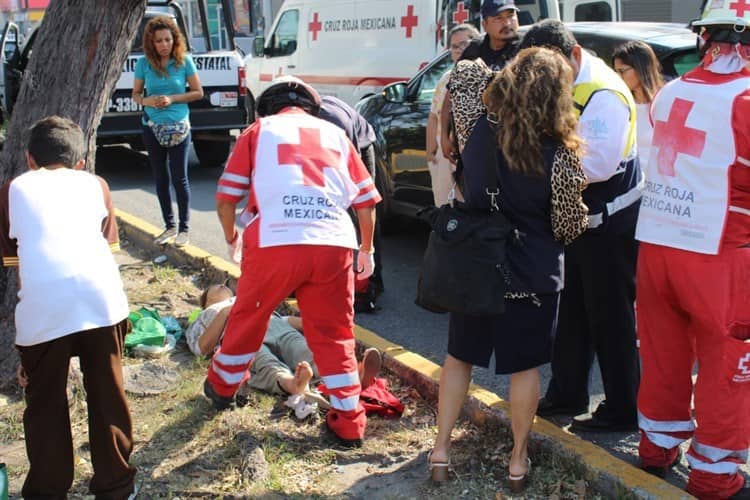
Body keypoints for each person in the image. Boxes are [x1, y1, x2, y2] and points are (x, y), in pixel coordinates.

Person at [428, 48, 588, 492]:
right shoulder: (560, 153)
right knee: (524, 369)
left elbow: (464, 70)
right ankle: (517, 461)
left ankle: (440, 451)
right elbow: (568, 225)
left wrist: (501, 75)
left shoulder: (473, 123)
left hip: (476, 263)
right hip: (532, 271)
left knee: (459, 357)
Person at [205, 76, 381, 448]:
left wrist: (232, 239)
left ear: (267, 108)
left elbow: (226, 199)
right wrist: (367, 250)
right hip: (333, 242)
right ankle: (350, 422)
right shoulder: (337, 136)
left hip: (274, 242)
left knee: (249, 319)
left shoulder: (257, 131)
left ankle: (222, 387)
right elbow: (365, 201)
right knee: (334, 335)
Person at [633, 2, 750, 497]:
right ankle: (715, 476)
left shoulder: (670, 92)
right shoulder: (746, 97)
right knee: (729, 365)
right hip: (721, 251)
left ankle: (656, 449)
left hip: (658, 243)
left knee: (663, 356)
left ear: (706, 38)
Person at [0, 116, 136, 498]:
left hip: (44, 308)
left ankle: (46, 490)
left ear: (29, 158)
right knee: (108, 395)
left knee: (44, 403)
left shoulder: (12, 189)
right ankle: (116, 487)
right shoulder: (96, 185)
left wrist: (27, 348)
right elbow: (110, 255)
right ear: (81, 162)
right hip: (103, 302)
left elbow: (23, 271)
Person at [523, 20, 643, 433]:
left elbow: (596, 164)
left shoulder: (604, 93)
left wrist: (533, 167)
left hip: (609, 223)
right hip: (576, 221)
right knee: (571, 312)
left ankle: (623, 408)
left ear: (573, 55)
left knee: (611, 317)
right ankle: (567, 394)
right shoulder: (568, 81)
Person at [187, 284, 382, 396]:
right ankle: (293, 383)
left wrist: (328, 329)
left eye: (225, 285)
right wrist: (225, 312)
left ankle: (350, 377)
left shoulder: (244, 296)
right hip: (237, 333)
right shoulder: (205, 316)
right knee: (263, 361)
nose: (222, 284)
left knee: (300, 346)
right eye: (214, 287)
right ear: (206, 301)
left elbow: (292, 321)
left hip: (271, 322)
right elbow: (202, 348)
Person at [133, 15, 203, 248]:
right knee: (160, 178)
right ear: (151, 43)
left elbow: (197, 92)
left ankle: (184, 229)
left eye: (168, 40)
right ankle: (169, 226)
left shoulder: (184, 62)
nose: (164, 45)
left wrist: (172, 98)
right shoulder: (143, 64)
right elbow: (135, 95)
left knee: (179, 178)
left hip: (179, 127)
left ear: (175, 40)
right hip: (152, 127)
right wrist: (148, 101)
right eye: (159, 41)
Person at [318, 95, 385, 308]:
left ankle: (368, 281)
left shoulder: (332, 122)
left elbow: (359, 195)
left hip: (360, 145)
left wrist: (366, 250)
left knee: (361, 211)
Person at [440, 0, 521, 163]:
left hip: (514, 147)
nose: (507, 23)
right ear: (484, 24)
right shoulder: (474, 50)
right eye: (498, 18)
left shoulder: (525, 49)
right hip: (477, 147)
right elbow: (451, 95)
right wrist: (444, 136)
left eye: (511, 16)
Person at [426, 23, 480, 207]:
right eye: (455, 46)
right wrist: (431, 154)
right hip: (444, 160)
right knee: (445, 213)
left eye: (464, 44)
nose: (459, 50)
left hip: (473, 160)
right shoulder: (445, 79)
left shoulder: (487, 75)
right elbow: (434, 115)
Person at [612, 40, 665, 168]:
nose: (618, 77)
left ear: (641, 68)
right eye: (616, 72)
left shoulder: (665, 101)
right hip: (629, 181)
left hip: (657, 181)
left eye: (623, 71)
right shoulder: (617, 102)